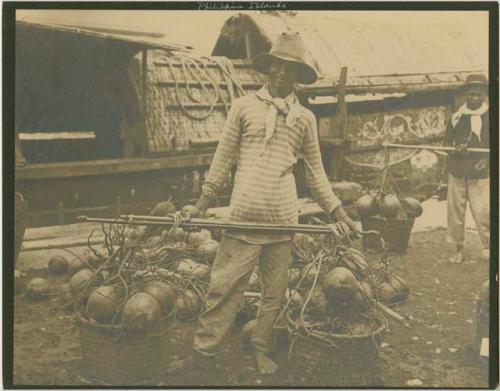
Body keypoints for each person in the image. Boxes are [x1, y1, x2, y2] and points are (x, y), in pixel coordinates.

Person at [181, 32, 360, 375]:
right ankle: (205, 352)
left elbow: (316, 174)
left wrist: (341, 213)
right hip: (244, 217)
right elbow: (222, 160)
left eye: (290, 68)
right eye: (277, 65)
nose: (281, 73)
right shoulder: (243, 107)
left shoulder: (304, 118)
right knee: (224, 287)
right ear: (268, 68)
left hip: (282, 220)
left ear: (298, 75)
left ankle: (262, 347)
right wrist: (200, 205)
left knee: (274, 295)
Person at [443, 74, 489, 264]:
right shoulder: (456, 117)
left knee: (484, 212)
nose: (475, 98)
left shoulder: (491, 117)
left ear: (484, 95)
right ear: (465, 95)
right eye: (471, 94)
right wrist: (455, 149)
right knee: (455, 214)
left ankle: (489, 247)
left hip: (481, 173)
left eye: (479, 95)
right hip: (458, 171)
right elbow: (446, 143)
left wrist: (487, 159)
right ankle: (457, 248)